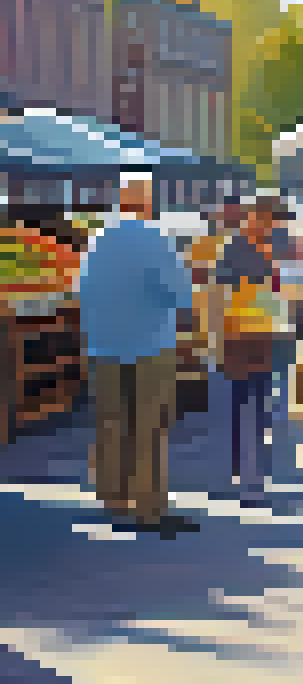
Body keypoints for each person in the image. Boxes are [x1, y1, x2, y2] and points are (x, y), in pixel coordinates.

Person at [74, 173, 196, 536]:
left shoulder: (97, 240)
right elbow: (181, 293)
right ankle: (148, 506)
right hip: (149, 344)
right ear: (147, 203)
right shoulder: (154, 238)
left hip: (103, 344)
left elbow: (84, 290)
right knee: (149, 427)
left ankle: (113, 496)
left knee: (111, 422)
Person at [212, 195, 285, 504]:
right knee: (244, 401)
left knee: (260, 402)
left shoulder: (269, 246)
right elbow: (221, 290)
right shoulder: (236, 247)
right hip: (240, 335)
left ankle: (253, 470)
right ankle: (242, 471)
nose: (271, 226)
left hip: (265, 334)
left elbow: (275, 291)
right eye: (269, 220)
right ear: (255, 217)